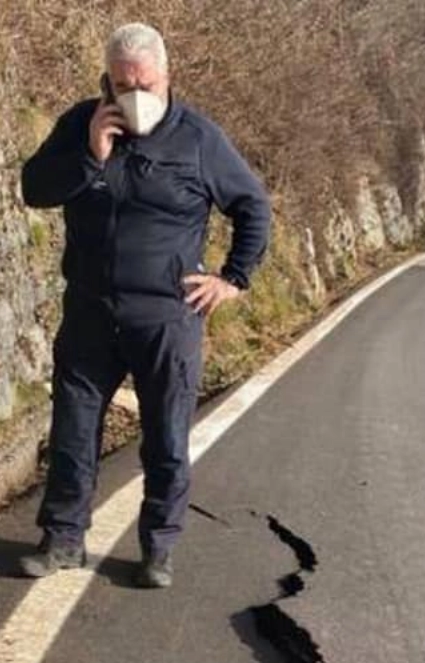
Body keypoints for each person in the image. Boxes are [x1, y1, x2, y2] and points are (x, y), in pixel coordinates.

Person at [18, 23, 272, 588]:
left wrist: (233, 278)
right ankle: (62, 539)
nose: (134, 95)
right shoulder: (80, 124)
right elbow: (34, 188)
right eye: (121, 84)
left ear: (167, 78)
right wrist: (90, 153)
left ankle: (158, 547)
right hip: (89, 309)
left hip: (167, 316)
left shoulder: (198, 138)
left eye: (146, 84)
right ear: (105, 81)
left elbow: (253, 207)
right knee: (73, 428)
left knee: (165, 434)